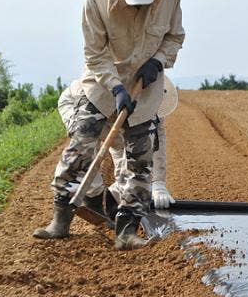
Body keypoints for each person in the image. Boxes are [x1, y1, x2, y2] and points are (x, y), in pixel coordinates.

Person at [33, 0, 185, 250]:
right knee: (80, 149)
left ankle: (126, 230)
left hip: (145, 89)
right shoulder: (96, 0)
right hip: (102, 88)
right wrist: (116, 88)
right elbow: (94, 53)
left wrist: (158, 62)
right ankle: (60, 220)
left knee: (139, 163)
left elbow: (175, 37)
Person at [55, 76, 179, 215]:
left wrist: (158, 183)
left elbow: (157, 142)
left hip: (122, 116)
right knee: (86, 149)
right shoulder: (112, 90)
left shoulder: (152, 106)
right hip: (85, 104)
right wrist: (93, 189)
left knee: (129, 162)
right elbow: (89, 138)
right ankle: (93, 200)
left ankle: (114, 203)